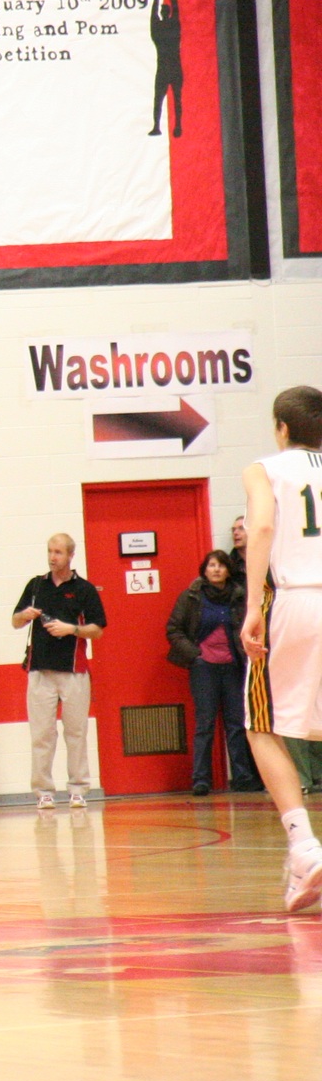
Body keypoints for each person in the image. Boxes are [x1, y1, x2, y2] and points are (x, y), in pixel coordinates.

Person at [239, 386, 322, 912]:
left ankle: (303, 847)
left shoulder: (264, 469)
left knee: (261, 724)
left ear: (282, 428)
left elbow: (264, 526)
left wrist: (253, 605)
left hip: (296, 599)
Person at [12, 533, 107, 810]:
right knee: (42, 734)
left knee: (76, 732)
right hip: (40, 671)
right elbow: (15, 621)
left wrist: (71, 629)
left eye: (58, 552)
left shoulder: (84, 589)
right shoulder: (36, 585)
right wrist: (24, 615)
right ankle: (43, 791)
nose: (52, 557)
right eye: (50, 551)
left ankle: (78, 789)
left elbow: (97, 629)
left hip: (74, 671)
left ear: (70, 556)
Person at [167, 549, 262, 795]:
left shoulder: (240, 596)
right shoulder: (191, 596)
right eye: (211, 565)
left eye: (221, 565)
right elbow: (174, 630)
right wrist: (195, 655)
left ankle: (242, 777)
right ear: (204, 570)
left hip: (233, 667)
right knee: (205, 724)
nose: (216, 569)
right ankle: (201, 779)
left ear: (228, 570)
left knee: (236, 724)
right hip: (203, 669)